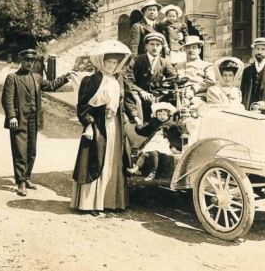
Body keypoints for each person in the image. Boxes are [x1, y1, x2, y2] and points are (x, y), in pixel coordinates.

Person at [71, 40, 141, 216]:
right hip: (98, 124)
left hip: (115, 125)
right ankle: (91, 203)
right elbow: (83, 106)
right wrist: (88, 124)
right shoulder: (91, 81)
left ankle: (111, 201)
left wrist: (135, 116)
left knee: (113, 159)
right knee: (96, 159)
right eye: (108, 62)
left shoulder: (119, 80)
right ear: (101, 62)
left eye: (114, 63)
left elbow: (128, 100)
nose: (111, 66)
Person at [1, 49, 72, 197]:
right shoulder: (12, 78)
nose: (29, 63)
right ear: (21, 61)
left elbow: (51, 85)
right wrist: (12, 116)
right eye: (27, 60)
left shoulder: (37, 77)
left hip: (34, 118)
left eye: (32, 61)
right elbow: (7, 100)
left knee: (31, 151)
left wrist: (66, 77)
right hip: (19, 119)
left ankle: (27, 177)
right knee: (20, 151)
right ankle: (20, 182)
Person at [126, 32, 178, 122]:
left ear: (161, 47)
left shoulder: (164, 62)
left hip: (158, 96)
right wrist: (141, 91)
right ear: (146, 46)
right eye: (152, 44)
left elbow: (173, 77)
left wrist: (164, 87)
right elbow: (128, 80)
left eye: (158, 45)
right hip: (140, 96)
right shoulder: (136, 60)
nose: (155, 47)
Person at [127, 102, 184, 181]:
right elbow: (145, 131)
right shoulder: (154, 123)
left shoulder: (171, 125)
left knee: (153, 152)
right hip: (153, 142)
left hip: (163, 143)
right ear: (156, 115)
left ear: (168, 115)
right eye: (159, 114)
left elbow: (175, 136)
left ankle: (152, 172)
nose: (162, 117)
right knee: (146, 153)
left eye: (164, 114)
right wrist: (139, 126)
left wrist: (175, 146)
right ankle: (136, 168)